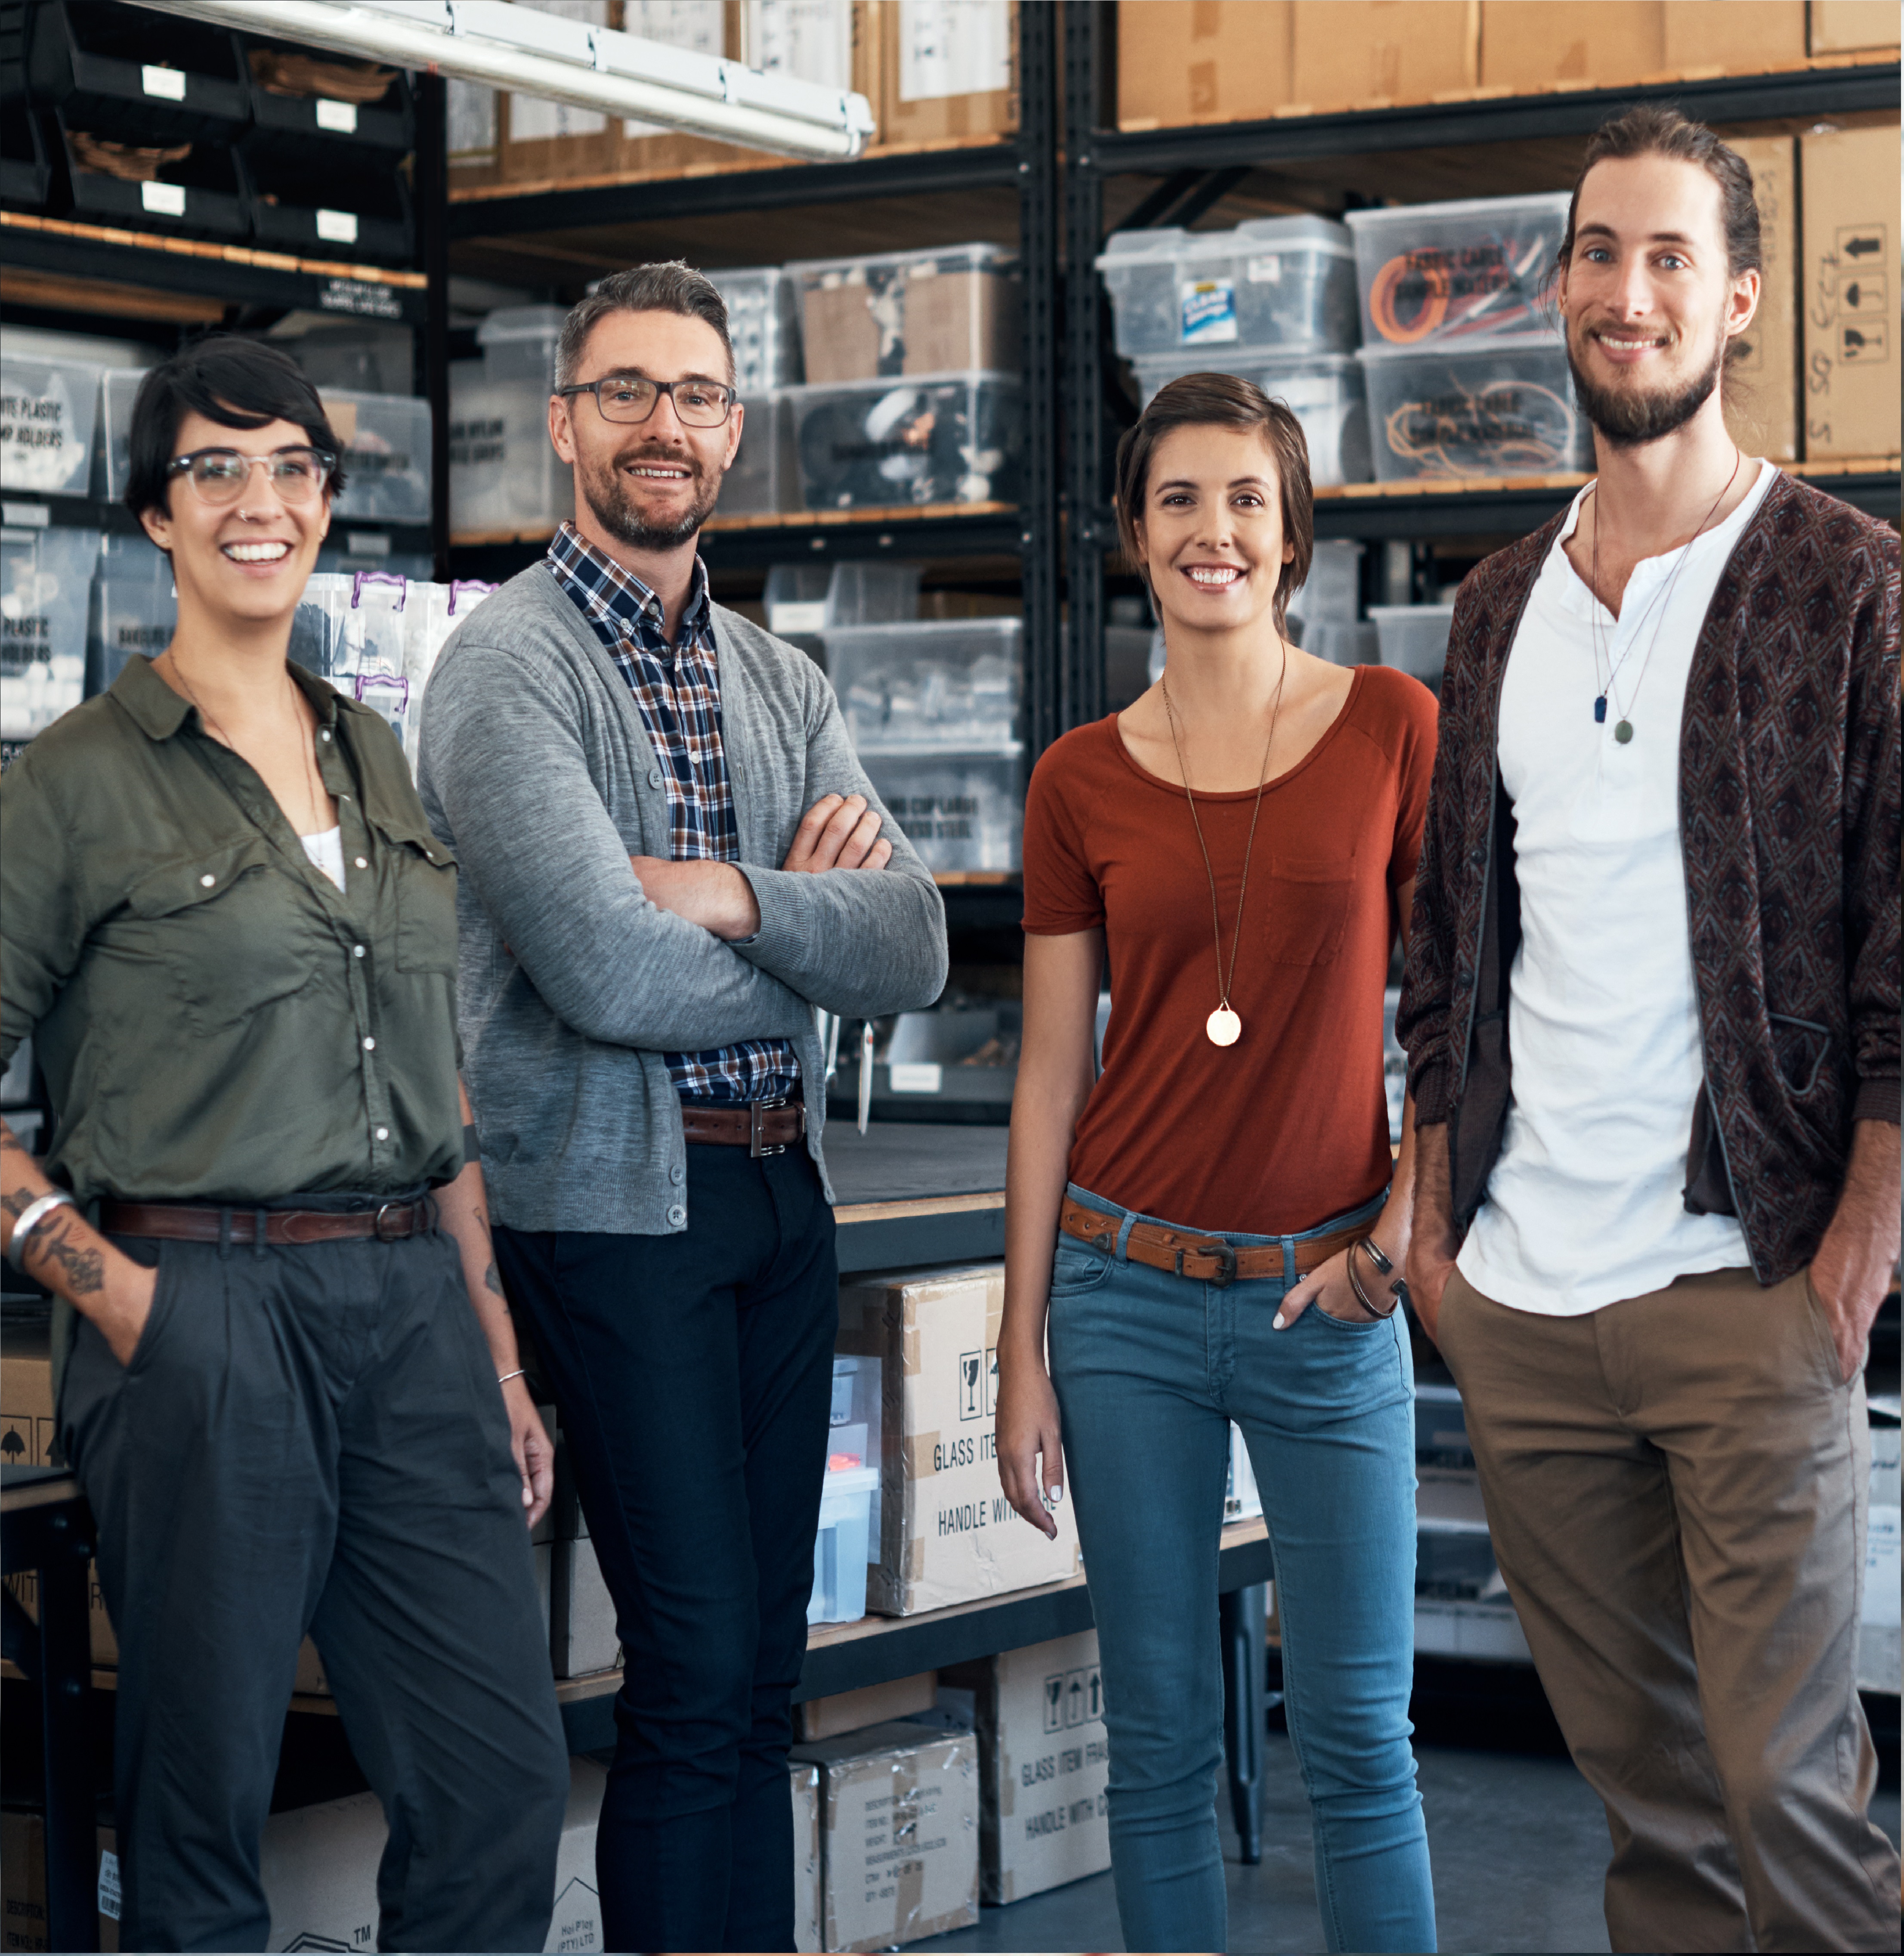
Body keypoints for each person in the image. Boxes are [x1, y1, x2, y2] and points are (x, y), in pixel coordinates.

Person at [1399, 105, 1901, 1954]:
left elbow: (1900, 944)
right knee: (1650, 1805)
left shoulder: (1843, 581)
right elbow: (1449, 936)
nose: (1626, 293)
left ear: (1738, 300)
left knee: (1789, 1797)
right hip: (1523, 1307)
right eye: (1597, 253)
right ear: (1559, 286)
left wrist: (1852, 1247)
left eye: (1667, 257)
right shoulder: (1492, 608)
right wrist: (1431, 1214)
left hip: (1741, 1282)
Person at [0, 335, 569, 1953]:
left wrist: (496, 1355)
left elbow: (435, 1082)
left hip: (414, 1320)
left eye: (292, 468)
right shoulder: (74, 784)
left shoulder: (374, 754)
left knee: (496, 1784)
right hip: (203, 1312)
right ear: (156, 519)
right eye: (217, 470)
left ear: (329, 502)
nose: (262, 502)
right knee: (205, 1805)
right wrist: (119, 1299)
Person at [417, 261, 949, 1953]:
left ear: (733, 428)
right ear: (566, 420)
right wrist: (801, 933)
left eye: (699, 394)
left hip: (779, 1203)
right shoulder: (502, 669)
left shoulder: (779, 680)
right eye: (629, 389)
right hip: (608, 1219)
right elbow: (599, 972)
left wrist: (717, 893)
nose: (666, 424)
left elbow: (919, 940)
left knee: (762, 1673)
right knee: (698, 1662)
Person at [995, 371, 1440, 1954]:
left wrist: (1401, 1230)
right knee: (1160, 1746)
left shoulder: (1392, 726)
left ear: (1293, 531)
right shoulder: (1078, 779)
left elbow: (1455, 1008)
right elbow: (1050, 1078)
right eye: (1179, 500)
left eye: (1246, 499)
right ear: (1134, 533)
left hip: (1331, 1304)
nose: (1213, 531)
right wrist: (1020, 1353)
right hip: (1125, 1301)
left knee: (1362, 1747)